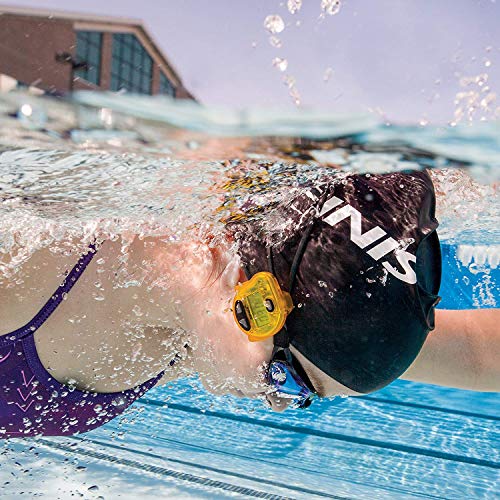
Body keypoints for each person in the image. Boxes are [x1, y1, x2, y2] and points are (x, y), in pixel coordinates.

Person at [0, 169, 498, 439]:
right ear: (256, 305)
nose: (277, 403)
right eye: (290, 383)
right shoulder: (35, 260)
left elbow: (478, 354)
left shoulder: (216, 335)